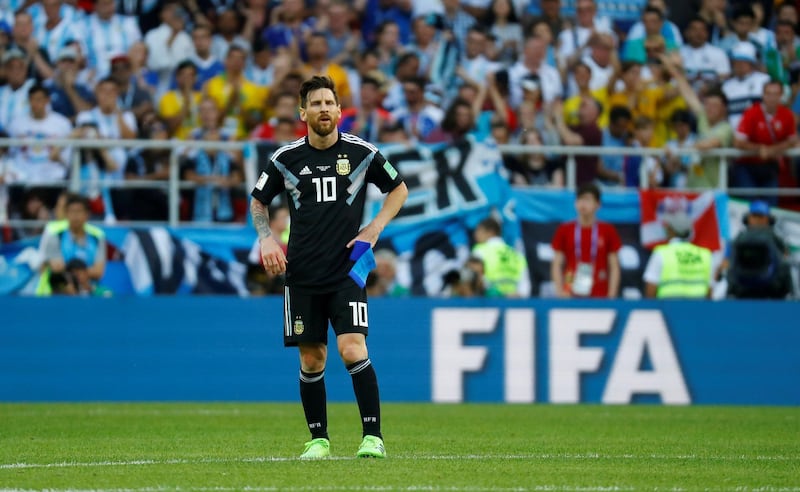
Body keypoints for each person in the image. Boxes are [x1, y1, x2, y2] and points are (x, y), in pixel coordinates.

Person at [249, 75, 408, 460]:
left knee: (352, 348)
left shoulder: (362, 153)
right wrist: (266, 237)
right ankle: (318, 439)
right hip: (301, 274)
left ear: (339, 110)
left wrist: (374, 227)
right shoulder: (285, 159)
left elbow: (398, 189)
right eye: (315, 103)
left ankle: (373, 437)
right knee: (312, 357)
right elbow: (258, 201)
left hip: (346, 271)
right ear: (302, 112)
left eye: (329, 103)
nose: (323, 109)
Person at [550, 182, 621, 298]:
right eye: (580, 200)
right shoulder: (565, 229)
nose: (583, 204)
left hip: (600, 293)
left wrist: (611, 295)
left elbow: (614, 266)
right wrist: (560, 292)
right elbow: (557, 264)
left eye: (588, 200)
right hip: (570, 290)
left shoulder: (608, 230)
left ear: (598, 204)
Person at [733, 81, 798, 205]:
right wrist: (760, 149)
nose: (772, 98)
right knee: (750, 203)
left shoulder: (787, 115)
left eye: (775, 94)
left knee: (771, 204)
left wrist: (771, 150)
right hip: (747, 165)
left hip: (770, 165)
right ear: (763, 95)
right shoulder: (751, 113)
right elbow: (738, 142)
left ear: (781, 96)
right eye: (768, 94)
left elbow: (792, 140)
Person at [36, 193, 106, 296]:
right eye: (71, 212)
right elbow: (57, 268)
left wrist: (73, 272)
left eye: (79, 211)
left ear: (87, 214)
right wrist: (83, 273)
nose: (75, 216)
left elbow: (99, 272)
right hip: (56, 293)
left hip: (88, 293)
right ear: (66, 214)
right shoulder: (54, 234)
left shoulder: (98, 236)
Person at [726, 200, 794, 299]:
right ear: (747, 218)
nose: (757, 220)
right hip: (743, 285)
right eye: (754, 216)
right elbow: (728, 262)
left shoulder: (776, 238)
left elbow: (785, 258)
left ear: (769, 219)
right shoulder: (739, 238)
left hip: (771, 286)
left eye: (761, 216)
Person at [642, 211, 713, 298]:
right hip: (698, 309)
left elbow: (650, 289)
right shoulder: (705, 254)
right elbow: (710, 291)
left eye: (667, 226)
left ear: (672, 230)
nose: (665, 228)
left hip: (667, 309)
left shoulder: (661, 253)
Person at [471, 217, 530, 298]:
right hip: (515, 300)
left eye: (478, 230)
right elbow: (525, 284)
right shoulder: (516, 254)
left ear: (490, 232)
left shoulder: (480, 250)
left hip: (489, 299)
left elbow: (476, 279)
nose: (475, 234)